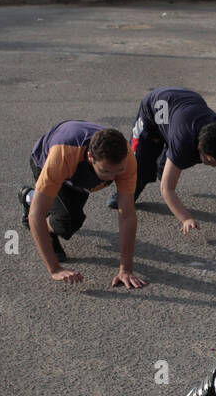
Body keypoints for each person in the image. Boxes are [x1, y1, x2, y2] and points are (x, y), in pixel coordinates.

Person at [107, 87, 216, 232]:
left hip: (183, 110)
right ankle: (129, 192)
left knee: (171, 162)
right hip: (153, 110)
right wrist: (185, 218)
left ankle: (164, 162)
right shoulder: (183, 142)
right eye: (212, 161)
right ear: (200, 146)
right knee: (140, 166)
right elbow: (167, 189)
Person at [17, 120, 146, 288]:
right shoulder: (62, 156)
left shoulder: (127, 159)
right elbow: (36, 215)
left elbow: (127, 213)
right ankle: (30, 196)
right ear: (91, 157)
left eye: (119, 170)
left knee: (72, 218)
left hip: (81, 173)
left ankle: (45, 206)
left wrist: (126, 269)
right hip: (47, 161)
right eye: (106, 171)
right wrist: (54, 269)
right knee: (66, 222)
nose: (114, 177)